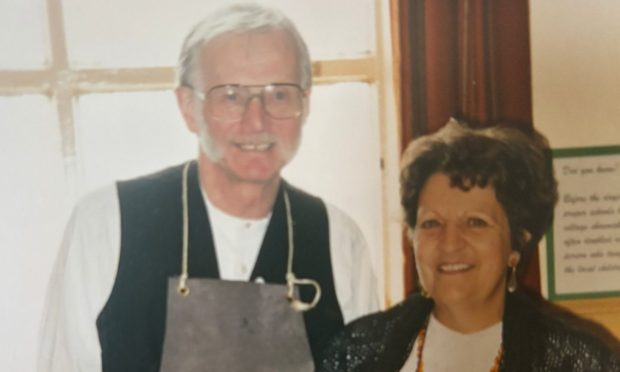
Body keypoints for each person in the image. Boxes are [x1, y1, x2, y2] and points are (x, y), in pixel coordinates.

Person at [38, 3, 379, 371]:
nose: (256, 120)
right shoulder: (105, 225)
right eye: (230, 95)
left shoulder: (339, 240)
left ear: (305, 104)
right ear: (188, 107)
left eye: (278, 94)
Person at [319, 119, 620, 371]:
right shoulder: (355, 354)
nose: (450, 243)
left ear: (516, 244)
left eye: (475, 223)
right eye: (432, 223)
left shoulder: (577, 362)